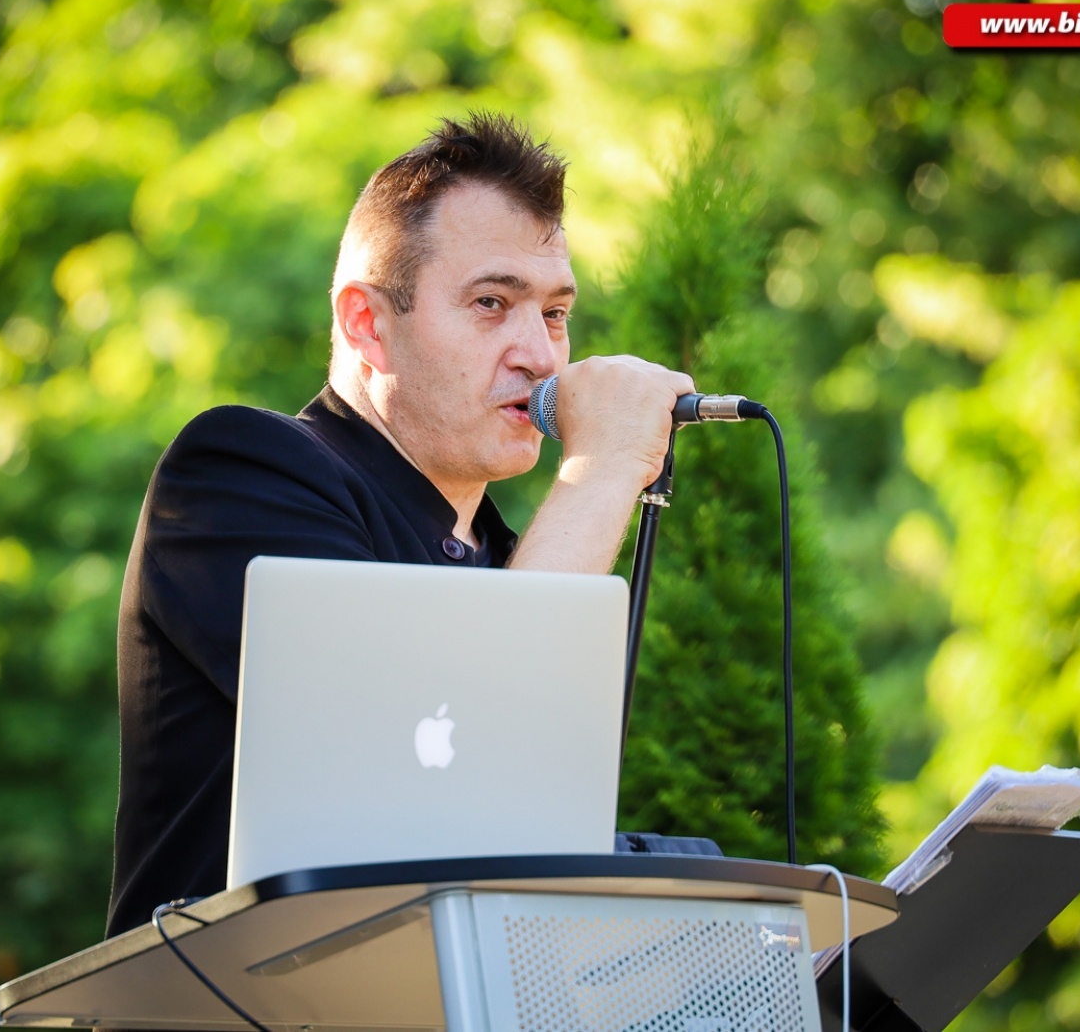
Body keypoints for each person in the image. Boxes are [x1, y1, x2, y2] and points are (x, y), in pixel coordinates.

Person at [106, 112, 693, 936]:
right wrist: (602, 472)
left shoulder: (506, 559)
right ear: (366, 323)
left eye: (556, 313)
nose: (541, 354)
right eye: (493, 303)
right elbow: (440, 769)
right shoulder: (240, 471)